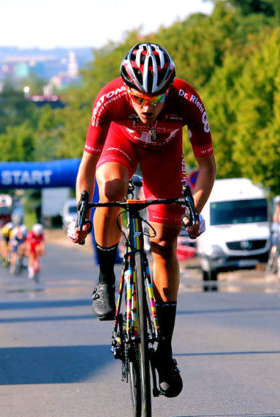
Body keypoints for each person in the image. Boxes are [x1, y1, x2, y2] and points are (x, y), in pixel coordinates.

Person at [68, 42, 216, 398]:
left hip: (166, 155)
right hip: (121, 144)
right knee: (113, 188)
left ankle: (164, 351)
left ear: (169, 91)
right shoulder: (110, 99)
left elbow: (207, 167)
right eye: (139, 99)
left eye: (156, 100)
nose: (147, 108)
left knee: (165, 243)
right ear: (127, 90)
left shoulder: (187, 102)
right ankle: (106, 277)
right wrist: (81, 211)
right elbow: (87, 167)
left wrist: (195, 209)